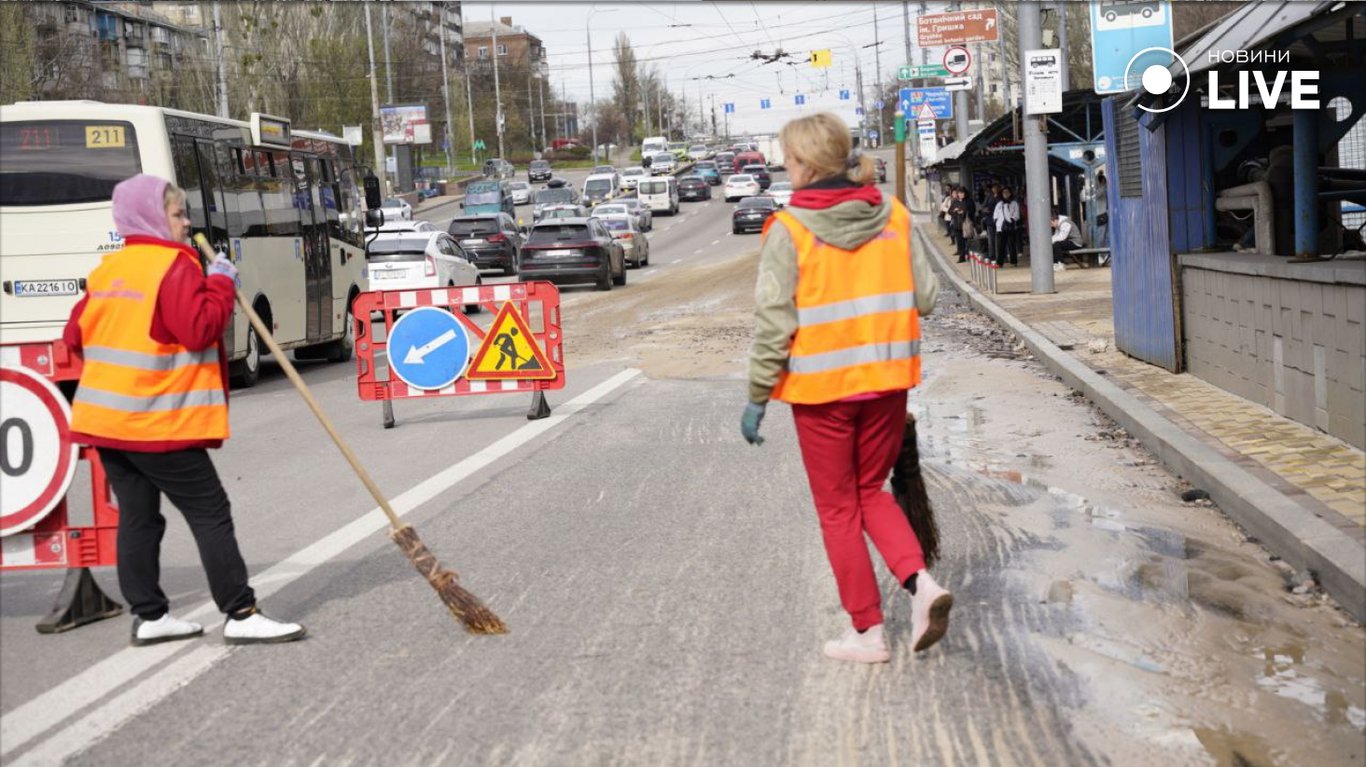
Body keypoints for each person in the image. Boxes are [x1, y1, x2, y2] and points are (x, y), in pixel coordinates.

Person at [743, 112, 953, 664]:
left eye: (789, 159)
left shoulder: (789, 231)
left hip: (822, 395)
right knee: (869, 492)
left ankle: (867, 633)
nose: (785, 168)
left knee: (838, 510)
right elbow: (927, 298)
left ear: (807, 164)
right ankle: (920, 585)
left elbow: (774, 324)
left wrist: (758, 396)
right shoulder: (896, 217)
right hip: (887, 385)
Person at [63, 174, 306, 647]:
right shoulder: (173, 267)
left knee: (139, 517)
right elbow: (197, 329)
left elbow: (74, 335)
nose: (187, 221)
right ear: (153, 218)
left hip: (108, 423)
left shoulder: (109, 270)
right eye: (177, 214)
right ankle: (240, 612)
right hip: (157, 420)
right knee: (210, 511)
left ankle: (151, 616)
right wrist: (219, 285)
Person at [993, 186, 1021, 266]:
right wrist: (997, 222)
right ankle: (1000, 262)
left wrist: (1012, 220)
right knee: (1000, 246)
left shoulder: (1014, 203)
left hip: (1010, 226)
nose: (1005, 194)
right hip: (1000, 227)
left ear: (1010, 193)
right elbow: (995, 215)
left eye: (1007, 192)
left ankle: (1013, 261)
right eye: (1004, 192)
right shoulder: (999, 204)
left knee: (1011, 245)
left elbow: (1017, 215)